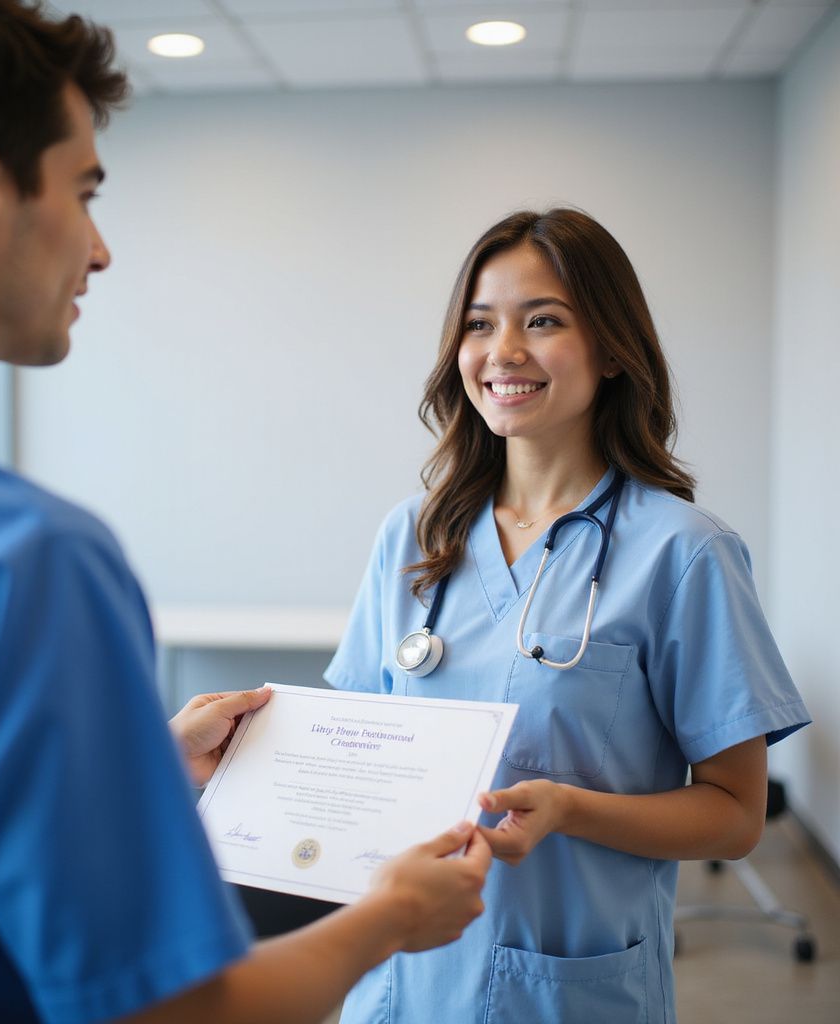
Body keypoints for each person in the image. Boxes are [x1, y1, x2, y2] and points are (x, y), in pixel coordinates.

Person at [0, 3, 492, 1022]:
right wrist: (389, 916)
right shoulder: (23, 561)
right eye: (84, 193)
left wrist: (136, 763)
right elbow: (173, 1011)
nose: (98, 251)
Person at [325, 208, 811, 1023]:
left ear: (613, 348)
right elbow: (358, 742)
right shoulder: (414, 534)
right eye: (480, 325)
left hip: (566, 990)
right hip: (403, 980)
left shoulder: (683, 553)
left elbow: (735, 816)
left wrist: (571, 809)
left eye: (542, 320)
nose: (503, 351)